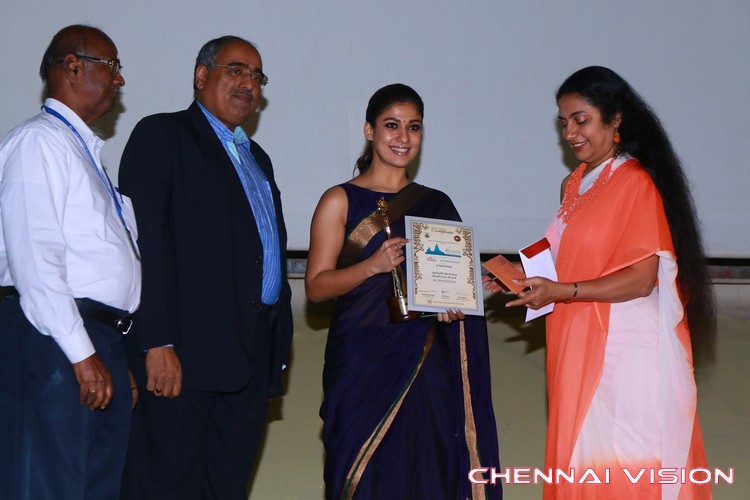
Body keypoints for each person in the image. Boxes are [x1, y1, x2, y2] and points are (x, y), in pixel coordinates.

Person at [493, 66, 715, 498]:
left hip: (626, 349)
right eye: (564, 123)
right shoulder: (573, 183)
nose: (570, 134)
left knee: (625, 465)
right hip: (576, 336)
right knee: (583, 459)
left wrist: (562, 292)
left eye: (581, 120)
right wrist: (516, 276)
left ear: (615, 120)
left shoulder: (635, 182)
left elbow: (641, 279)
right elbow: (566, 258)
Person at [306, 83, 501, 500]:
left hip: (427, 362)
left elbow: (451, 283)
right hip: (360, 362)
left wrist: (454, 306)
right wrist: (371, 266)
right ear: (370, 130)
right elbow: (317, 287)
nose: (403, 137)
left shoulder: (437, 204)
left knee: (429, 470)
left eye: (413, 127)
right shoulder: (340, 200)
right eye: (391, 125)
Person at [118, 36, 293, 499]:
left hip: (249, 359)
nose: (248, 84)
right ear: (201, 75)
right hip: (182, 357)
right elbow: (145, 242)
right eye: (236, 70)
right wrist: (157, 341)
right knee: (162, 487)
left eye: (257, 76)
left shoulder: (257, 158)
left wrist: (274, 352)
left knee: (226, 489)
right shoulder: (163, 135)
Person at [0, 25, 141, 499]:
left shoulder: (83, 153)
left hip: (94, 338)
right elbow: (36, 260)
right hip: (50, 340)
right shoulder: (38, 142)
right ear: (73, 67)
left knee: (93, 488)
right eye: (112, 66)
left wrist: (109, 355)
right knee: (47, 485)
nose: (120, 80)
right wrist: (81, 354)